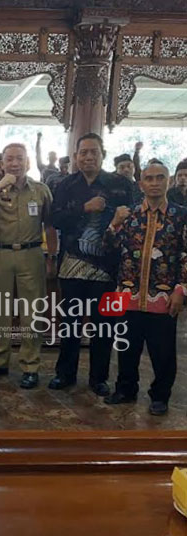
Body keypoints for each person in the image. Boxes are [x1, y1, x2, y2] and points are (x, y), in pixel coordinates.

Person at [49, 133, 136, 395]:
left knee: (105, 325)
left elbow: (133, 221)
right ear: (75, 156)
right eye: (83, 152)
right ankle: (65, 373)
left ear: (103, 154)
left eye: (93, 152)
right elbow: (55, 219)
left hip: (109, 267)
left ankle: (99, 377)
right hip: (72, 264)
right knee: (71, 323)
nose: (88, 156)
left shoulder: (121, 184)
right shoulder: (65, 185)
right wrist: (84, 208)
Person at [103, 162, 187, 416]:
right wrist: (114, 223)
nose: (154, 182)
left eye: (159, 177)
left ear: (169, 181)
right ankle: (126, 389)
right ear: (140, 184)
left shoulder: (181, 215)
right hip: (129, 293)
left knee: (163, 352)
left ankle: (160, 396)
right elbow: (110, 249)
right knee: (127, 347)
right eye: (148, 178)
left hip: (163, 294)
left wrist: (181, 290)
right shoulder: (129, 215)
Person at [0, 143, 57, 389]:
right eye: (9, 159)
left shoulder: (41, 191)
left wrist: (51, 256)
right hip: (1, 254)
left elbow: (50, 226)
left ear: (27, 161)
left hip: (32, 254)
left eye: (19, 159)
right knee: (1, 312)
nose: (15, 164)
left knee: (32, 312)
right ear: (2, 163)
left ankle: (30, 365)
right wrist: (0, 185)